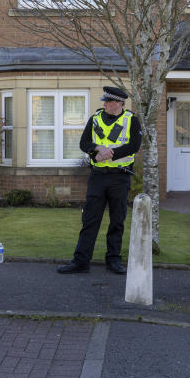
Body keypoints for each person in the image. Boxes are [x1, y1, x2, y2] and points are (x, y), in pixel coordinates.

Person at [58, 86, 143, 275]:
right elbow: (84, 143)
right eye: (104, 101)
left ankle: (113, 260)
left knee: (117, 221)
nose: (104, 104)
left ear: (119, 103)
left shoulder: (131, 120)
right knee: (90, 220)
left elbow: (134, 146)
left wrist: (110, 153)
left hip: (119, 178)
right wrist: (97, 149)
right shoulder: (95, 118)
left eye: (108, 101)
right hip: (97, 176)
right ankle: (81, 261)